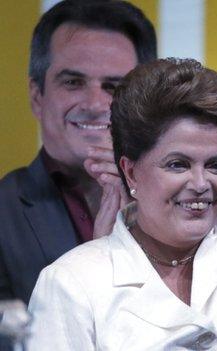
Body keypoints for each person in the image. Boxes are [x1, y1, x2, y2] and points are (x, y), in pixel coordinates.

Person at [27, 2, 217, 348]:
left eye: (216, 165)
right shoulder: (72, 282)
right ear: (130, 172)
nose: (200, 184)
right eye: (177, 164)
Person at [0, 0, 156, 305]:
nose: (95, 104)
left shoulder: (179, 203)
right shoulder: (4, 212)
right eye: (73, 82)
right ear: (36, 97)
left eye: (114, 87)